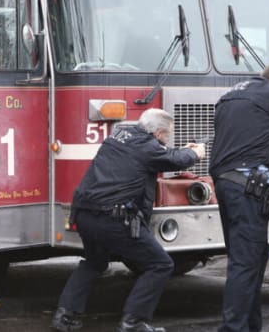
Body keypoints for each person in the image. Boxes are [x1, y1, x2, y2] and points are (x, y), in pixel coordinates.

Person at [52, 108, 205, 332]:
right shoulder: (148, 147)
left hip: (85, 214)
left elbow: (155, 154)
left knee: (94, 262)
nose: (166, 140)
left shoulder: (118, 136)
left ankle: (64, 316)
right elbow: (174, 160)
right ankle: (133, 322)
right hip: (113, 219)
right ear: (158, 133)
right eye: (167, 135)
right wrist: (195, 153)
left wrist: (179, 150)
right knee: (160, 264)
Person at [209, 63, 269, 332]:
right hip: (250, 186)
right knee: (246, 262)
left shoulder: (228, 98)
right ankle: (233, 328)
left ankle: (250, 326)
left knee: (252, 257)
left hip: (227, 184)